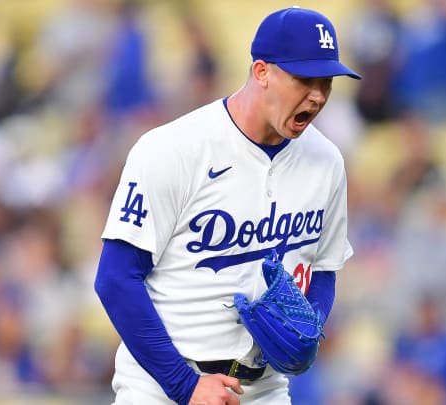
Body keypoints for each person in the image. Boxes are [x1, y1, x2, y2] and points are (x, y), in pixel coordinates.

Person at [94, 6, 360, 405]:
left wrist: (311, 325)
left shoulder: (327, 162)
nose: (318, 95)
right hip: (162, 382)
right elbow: (115, 278)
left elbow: (324, 269)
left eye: (327, 81)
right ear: (261, 72)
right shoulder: (174, 149)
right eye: (304, 79)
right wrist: (184, 385)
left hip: (264, 387)